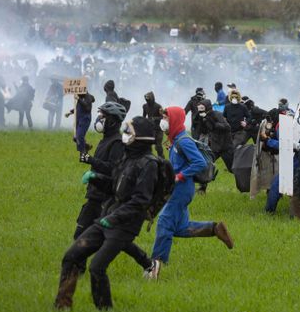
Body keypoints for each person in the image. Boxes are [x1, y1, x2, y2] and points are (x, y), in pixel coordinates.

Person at [54, 116, 160, 310]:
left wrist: (113, 219)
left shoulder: (149, 164)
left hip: (125, 225)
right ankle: (62, 306)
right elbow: (115, 185)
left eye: (129, 132)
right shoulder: (127, 157)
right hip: (108, 217)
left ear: (141, 137)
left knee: (97, 268)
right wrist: (96, 178)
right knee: (71, 257)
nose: (125, 135)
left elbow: (140, 201)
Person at [75, 102, 158, 276]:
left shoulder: (117, 143)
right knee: (113, 238)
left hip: (104, 196)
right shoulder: (106, 139)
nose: (99, 119)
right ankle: (148, 263)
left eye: (103, 116)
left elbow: (114, 170)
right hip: (95, 193)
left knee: (87, 235)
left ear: (113, 121)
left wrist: (92, 162)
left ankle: (77, 270)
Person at [151, 106, 234, 265]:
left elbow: (199, 162)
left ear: (174, 120)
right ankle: (215, 229)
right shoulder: (175, 140)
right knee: (181, 227)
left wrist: (180, 175)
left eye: (167, 118)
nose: (164, 121)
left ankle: (156, 264)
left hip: (181, 189)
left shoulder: (183, 141)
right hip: (179, 188)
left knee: (164, 222)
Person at [142, 91, 164, 157]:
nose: (148, 101)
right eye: (147, 99)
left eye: (149, 99)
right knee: (147, 145)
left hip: (158, 129)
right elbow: (144, 116)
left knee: (158, 146)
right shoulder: (144, 106)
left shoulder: (158, 106)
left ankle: (162, 160)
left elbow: (162, 117)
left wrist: (154, 118)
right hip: (150, 128)